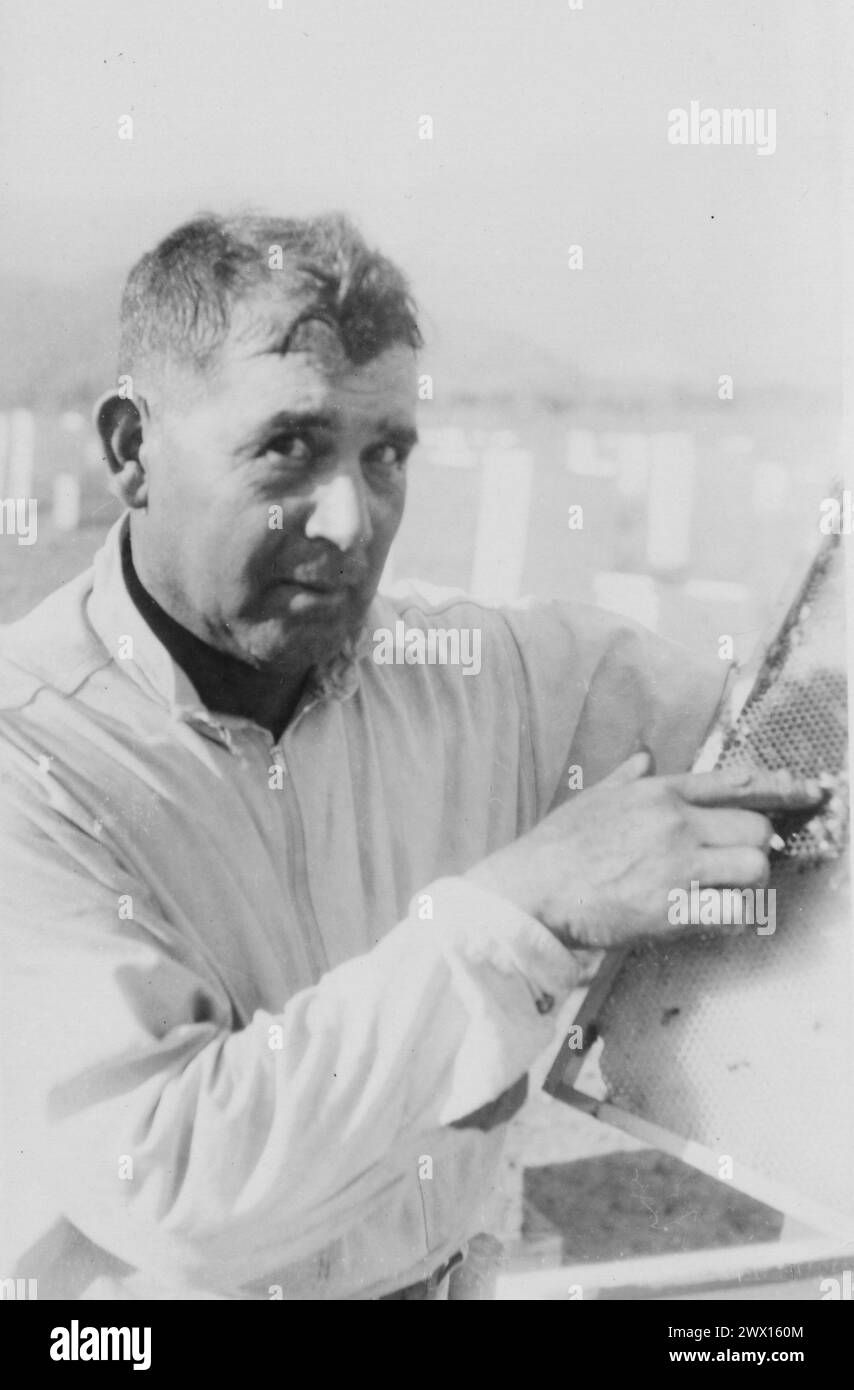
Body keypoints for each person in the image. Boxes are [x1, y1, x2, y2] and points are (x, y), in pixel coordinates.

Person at [0, 213, 821, 1300]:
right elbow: (175, 1182)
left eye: (383, 454)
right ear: (130, 449)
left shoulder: (498, 672)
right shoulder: (32, 755)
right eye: (288, 447)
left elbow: (787, 741)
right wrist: (523, 911)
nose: (349, 520)